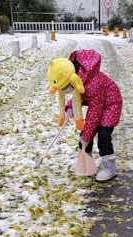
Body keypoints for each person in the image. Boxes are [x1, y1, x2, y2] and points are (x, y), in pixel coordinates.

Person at [48, 50, 123, 182]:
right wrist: (70, 107)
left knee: (103, 135)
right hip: (98, 105)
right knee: (85, 133)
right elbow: (78, 96)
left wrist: (86, 137)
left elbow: (95, 114)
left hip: (111, 105)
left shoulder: (94, 84)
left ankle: (110, 168)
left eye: (65, 88)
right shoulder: (79, 77)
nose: (65, 92)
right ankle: (85, 164)